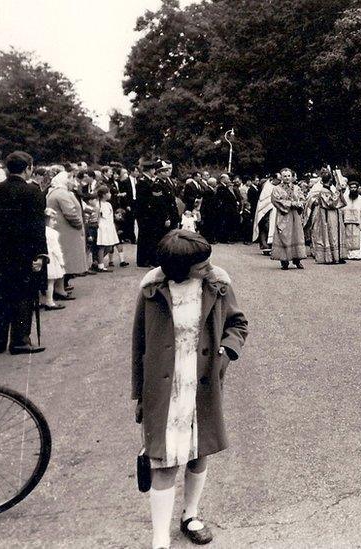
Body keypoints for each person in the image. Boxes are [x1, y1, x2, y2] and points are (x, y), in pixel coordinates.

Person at [132, 230, 248, 549]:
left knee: (198, 452)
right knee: (165, 461)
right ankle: (159, 539)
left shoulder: (217, 284)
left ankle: (190, 515)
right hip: (163, 389)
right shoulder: (152, 291)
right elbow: (139, 346)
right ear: (180, 267)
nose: (209, 267)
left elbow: (238, 324)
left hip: (202, 384)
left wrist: (225, 353)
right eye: (202, 264)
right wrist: (139, 396)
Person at [0, 151, 47, 355]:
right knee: (23, 297)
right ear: (28, 168)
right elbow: (37, 227)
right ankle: (19, 340)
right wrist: (40, 254)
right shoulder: (32, 192)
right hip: (23, 254)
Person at [46, 166, 88, 289]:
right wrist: (79, 223)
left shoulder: (55, 192)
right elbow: (70, 212)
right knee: (65, 259)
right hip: (66, 232)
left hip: (61, 229)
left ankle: (61, 286)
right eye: (70, 180)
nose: (72, 182)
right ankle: (60, 288)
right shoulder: (62, 194)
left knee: (63, 259)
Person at [137, 161, 180, 268]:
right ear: (159, 173)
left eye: (167, 170)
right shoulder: (157, 185)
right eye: (164, 171)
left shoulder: (166, 183)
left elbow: (171, 200)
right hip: (163, 216)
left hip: (171, 214)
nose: (167, 172)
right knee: (160, 239)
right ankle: (156, 260)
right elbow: (160, 203)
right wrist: (166, 217)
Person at [305, 171, 348, 264]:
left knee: (334, 234)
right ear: (330, 180)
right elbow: (331, 203)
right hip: (328, 215)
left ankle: (336, 256)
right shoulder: (323, 191)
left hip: (332, 214)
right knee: (331, 235)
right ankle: (331, 257)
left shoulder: (327, 190)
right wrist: (337, 191)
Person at [270, 168, 307, 270]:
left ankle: (297, 259)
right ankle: (284, 260)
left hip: (295, 215)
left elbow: (303, 198)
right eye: (284, 176)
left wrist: (300, 203)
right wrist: (291, 203)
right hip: (284, 215)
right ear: (281, 177)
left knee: (296, 235)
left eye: (288, 176)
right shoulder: (277, 189)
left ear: (292, 177)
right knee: (284, 235)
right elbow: (275, 200)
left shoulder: (296, 188)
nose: (287, 178)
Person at [41, 209, 66, 311]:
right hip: (50, 259)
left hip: (42, 257)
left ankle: (39, 301)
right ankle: (49, 302)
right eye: (53, 220)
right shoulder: (52, 233)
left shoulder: (40, 230)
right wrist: (61, 261)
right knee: (50, 281)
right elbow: (56, 249)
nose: (55, 223)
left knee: (42, 281)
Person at [95, 186, 120, 271]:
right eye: (108, 193)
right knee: (102, 246)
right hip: (103, 226)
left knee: (109, 246)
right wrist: (98, 225)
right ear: (103, 195)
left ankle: (97, 261)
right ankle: (100, 265)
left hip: (109, 226)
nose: (110, 194)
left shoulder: (109, 204)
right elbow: (98, 216)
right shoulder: (98, 204)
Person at [343, 181, 361, 261]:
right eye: (351, 188)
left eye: (355, 188)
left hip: (358, 223)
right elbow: (342, 209)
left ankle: (356, 254)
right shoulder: (345, 198)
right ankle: (348, 254)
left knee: (357, 238)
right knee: (348, 238)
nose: (353, 189)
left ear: (357, 188)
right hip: (347, 222)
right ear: (349, 188)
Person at [252, 177, 276, 255]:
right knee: (264, 229)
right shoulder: (266, 190)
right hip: (265, 213)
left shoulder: (271, 187)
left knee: (268, 229)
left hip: (271, 213)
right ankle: (264, 246)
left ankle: (267, 246)